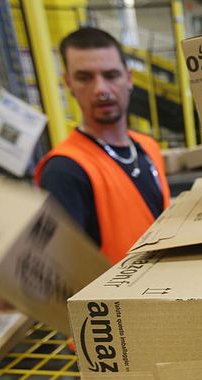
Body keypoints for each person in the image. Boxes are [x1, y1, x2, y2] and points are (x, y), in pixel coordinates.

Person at [34, 27, 170, 264]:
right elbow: (56, 268)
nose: (101, 90)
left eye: (111, 75)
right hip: (117, 300)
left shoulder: (148, 147)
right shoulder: (65, 170)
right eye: (85, 78)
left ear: (128, 78)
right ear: (69, 83)